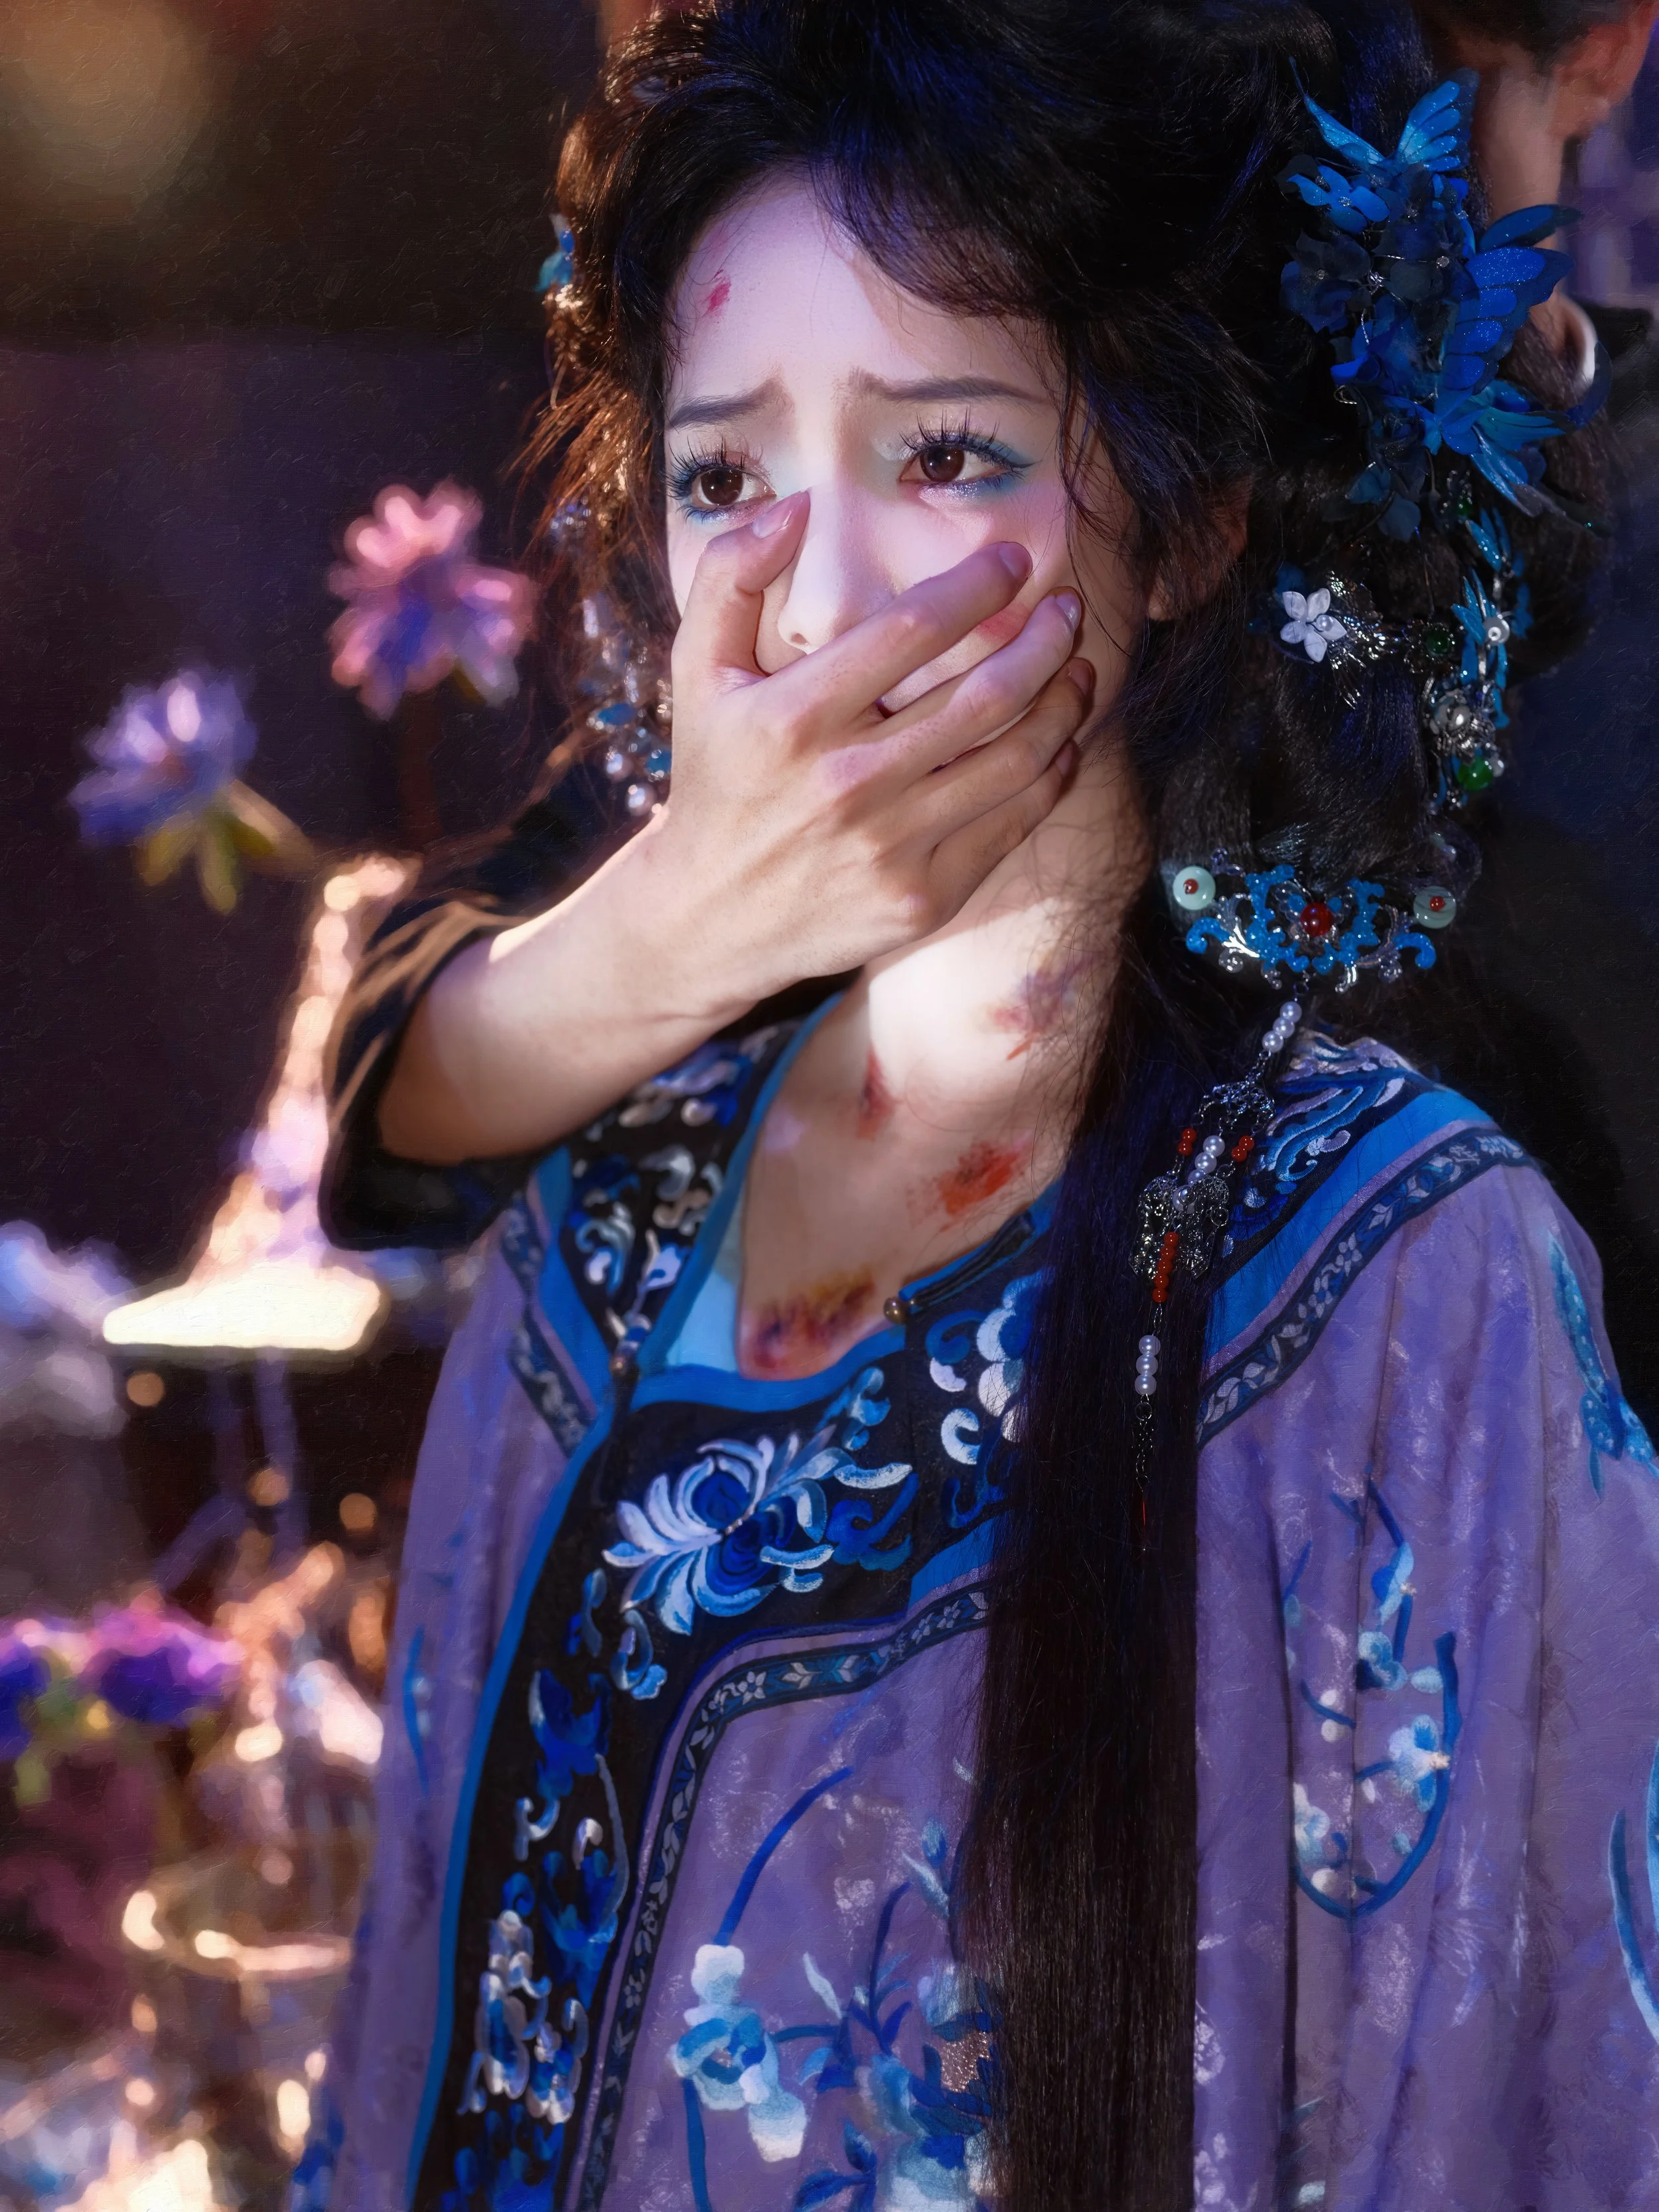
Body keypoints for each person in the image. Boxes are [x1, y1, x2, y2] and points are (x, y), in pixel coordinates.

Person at [302, 3, 1659, 2207]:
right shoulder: (602, 1232)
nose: (815, 594)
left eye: (940, 455)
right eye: (726, 476)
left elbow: (1499, 2108)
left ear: (1194, 520)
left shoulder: (1412, 1268)